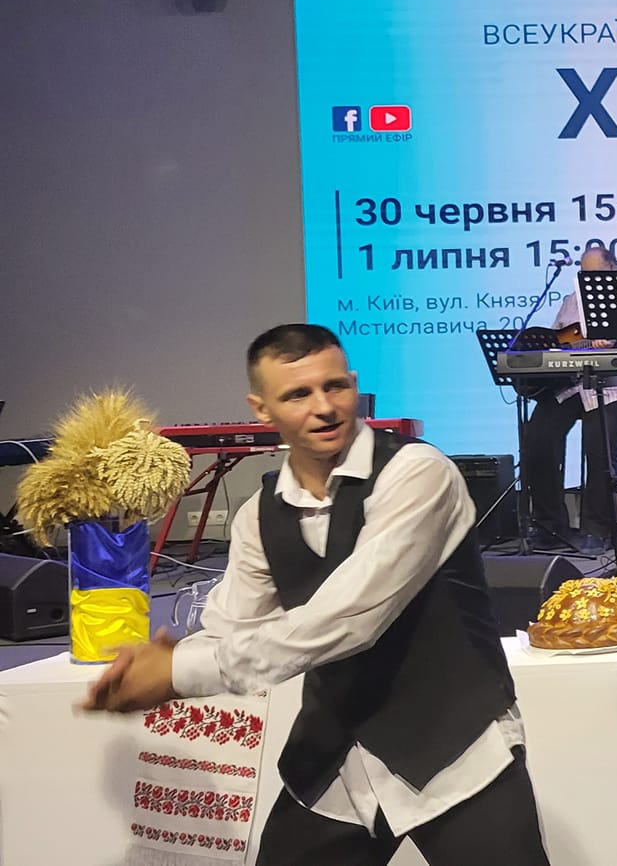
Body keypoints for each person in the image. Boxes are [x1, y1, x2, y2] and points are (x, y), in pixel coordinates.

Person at [79, 323, 550, 865]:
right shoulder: (259, 515)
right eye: (298, 394)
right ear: (262, 409)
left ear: (354, 384)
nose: (324, 407)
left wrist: (176, 672)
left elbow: (349, 619)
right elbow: (232, 627)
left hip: (457, 752)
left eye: (335, 386)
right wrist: (162, 664)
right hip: (335, 761)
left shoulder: (419, 473)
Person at [521, 244, 617, 550]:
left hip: (614, 387)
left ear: (612, 269)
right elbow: (557, 340)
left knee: (598, 448)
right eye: (584, 274)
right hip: (573, 384)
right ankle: (549, 525)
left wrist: (608, 338)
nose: (589, 279)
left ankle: (598, 530)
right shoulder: (572, 301)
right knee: (539, 438)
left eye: (595, 273)